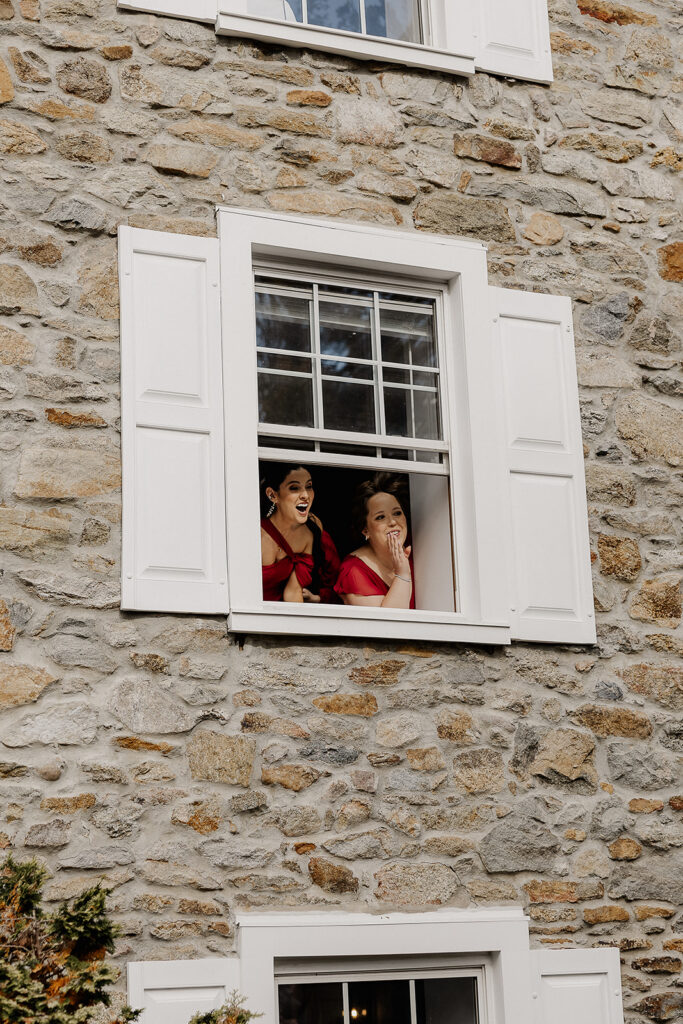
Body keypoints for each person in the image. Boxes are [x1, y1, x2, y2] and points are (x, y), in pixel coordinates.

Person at [260, 463, 340, 603]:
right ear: (272, 495)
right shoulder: (256, 535)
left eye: (308, 486)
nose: (305, 495)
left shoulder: (308, 532)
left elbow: (293, 592)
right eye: (294, 488)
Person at [334, 473, 415, 609]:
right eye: (380, 517)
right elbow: (390, 622)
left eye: (397, 513)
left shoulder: (419, 549)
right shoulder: (354, 571)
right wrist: (402, 575)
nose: (393, 522)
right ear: (365, 529)